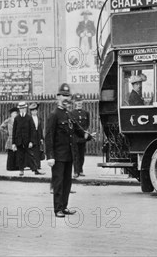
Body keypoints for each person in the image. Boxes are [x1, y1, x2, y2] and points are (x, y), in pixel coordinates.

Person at [45, 83, 94, 218]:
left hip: (69, 155)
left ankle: (64, 206)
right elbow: (48, 137)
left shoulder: (68, 114)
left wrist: (88, 136)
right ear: (58, 97)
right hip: (58, 156)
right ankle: (58, 209)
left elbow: (78, 130)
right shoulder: (54, 115)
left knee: (67, 183)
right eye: (63, 96)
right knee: (58, 183)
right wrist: (50, 156)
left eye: (68, 96)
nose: (66, 98)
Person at [12, 101, 41, 176]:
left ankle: (35, 170)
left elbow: (32, 130)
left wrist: (31, 141)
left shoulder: (29, 118)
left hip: (27, 141)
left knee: (31, 155)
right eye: (21, 108)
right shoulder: (16, 118)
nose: (22, 110)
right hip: (19, 141)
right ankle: (21, 170)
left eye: (23, 108)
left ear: (25, 109)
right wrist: (13, 143)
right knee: (20, 156)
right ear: (19, 109)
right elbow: (14, 131)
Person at [71, 94, 90, 178]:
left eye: (80, 102)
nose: (79, 103)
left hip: (82, 137)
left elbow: (87, 124)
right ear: (75, 103)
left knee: (82, 154)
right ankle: (76, 171)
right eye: (77, 102)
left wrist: (85, 133)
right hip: (75, 137)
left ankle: (81, 170)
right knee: (75, 155)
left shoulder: (86, 113)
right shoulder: (71, 113)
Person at [0, 107, 19, 171]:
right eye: (14, 113)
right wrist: (7, 132)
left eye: (16, 113)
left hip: (16, 138)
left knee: (16, 153)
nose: (15, 114)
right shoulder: (8, 120)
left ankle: (16, 166)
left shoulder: (18, 120)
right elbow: (1, 127)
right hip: (10, 139)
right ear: (11, 114)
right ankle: (10, 167)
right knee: (11, 154)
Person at [28, 103, 44, 172]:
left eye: (35, 110)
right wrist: (30, 141)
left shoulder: (39, 118)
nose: (34, 112)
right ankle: (32, 166)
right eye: (32, 111)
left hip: (38, 137)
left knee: (37, 151)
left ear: (37, 111)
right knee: (32, 152)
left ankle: (38, 165)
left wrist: (41, 138)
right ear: (31, 112)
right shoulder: (29, 119)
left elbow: (40, 129)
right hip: (31, 137)